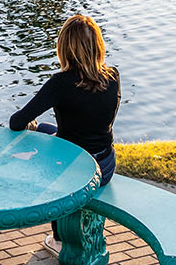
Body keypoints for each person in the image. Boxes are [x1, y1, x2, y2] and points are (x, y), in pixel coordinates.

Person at [9, 13, 120, 191]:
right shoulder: (113, 76)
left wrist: (28, 124)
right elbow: (98, 119)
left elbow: (15, 123)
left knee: (31, 136)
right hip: (106, 165)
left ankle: (34, 197)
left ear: (64, 48)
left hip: (77, 169)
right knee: (44, 128)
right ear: (97, 45)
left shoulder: (61, 83)